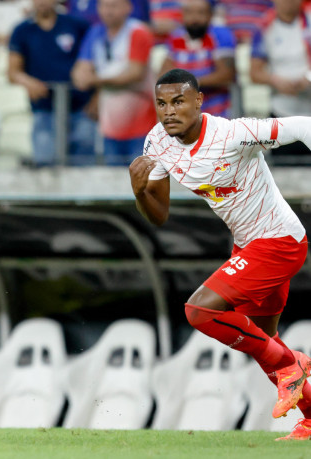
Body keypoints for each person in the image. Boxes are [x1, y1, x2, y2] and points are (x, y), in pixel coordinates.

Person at [131, 68, 311, 441]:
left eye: (178, 101)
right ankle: (310, 415)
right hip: (249, 246)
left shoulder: (233, 134)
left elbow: (302, 126)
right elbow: (159, 215)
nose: (169, 112)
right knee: (261, 340)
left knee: (200, 311)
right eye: (162, 103)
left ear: (199, 101)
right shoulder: (157, 142)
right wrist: (140, 193)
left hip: (279, 242)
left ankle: (295, 362)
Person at [8, 0, 95, 166]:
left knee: (85, 166)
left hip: (80, 108)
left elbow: (95, 63)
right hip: (44, 108)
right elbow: (13, 72)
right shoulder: (22, 30)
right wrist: (28, 82)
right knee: (45, 166)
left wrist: (97, 96)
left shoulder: (77, 25)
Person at [72, 0, 157, 166]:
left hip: (142, 122)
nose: (108, 11)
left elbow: (134, 73)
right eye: (104, 6)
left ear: (128, 8)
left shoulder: (138, 31)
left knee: (141, 182)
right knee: (113, 180)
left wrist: (95, 80)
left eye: (114, 6)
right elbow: (80, 74)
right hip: (109, 123)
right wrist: (87, 78)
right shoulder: (96, 32)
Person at [250, 0, 311, 160]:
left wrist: (308, 78)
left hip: (309, 109)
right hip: (281, 114)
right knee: (283, 170)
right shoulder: (264, 28)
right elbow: (254, 72)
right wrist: (276, 81)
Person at [161, 0, 236, 117]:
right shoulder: (175, 37)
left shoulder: (220, 35)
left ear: (210, 15)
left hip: (217, 113)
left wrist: (192, 82)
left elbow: (226, 75)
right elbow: (164, 74)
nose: (194, 18)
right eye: (189, 13)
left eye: (201, 13)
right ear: (182, 15)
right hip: (183, 115)